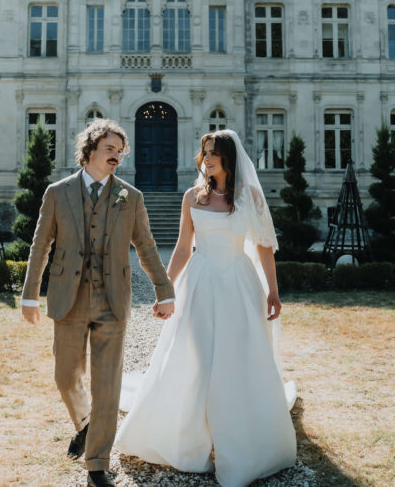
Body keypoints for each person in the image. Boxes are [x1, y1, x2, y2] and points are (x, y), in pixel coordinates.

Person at [115, 129, 297, 487]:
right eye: (204, 152)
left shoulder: (251, 198)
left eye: (213, 152)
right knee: (198, 358)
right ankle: (191, 442)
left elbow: (263, 248)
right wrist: (164, 289)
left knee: (238, 358)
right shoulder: (191, 197)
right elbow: (183, 248)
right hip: (199, 284)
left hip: (240, 286)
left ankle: (241, 441)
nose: (207, 158)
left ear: (228, 158)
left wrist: (273, 293)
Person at [20, 119, 176, 487]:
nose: (117, 157)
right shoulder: (57, 193)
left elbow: (147, 247)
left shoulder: (130, 197)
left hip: (112, 300)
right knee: (65, 377)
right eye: (110, 149)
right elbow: (40, 245)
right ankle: (86, 423)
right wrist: (29, 294)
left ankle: (97, 465)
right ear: (89, 150)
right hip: (68, 300)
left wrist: (164, 290)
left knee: (108, 385)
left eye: (120, 151)